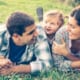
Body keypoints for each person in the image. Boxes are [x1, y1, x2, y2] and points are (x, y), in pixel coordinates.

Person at [53, 5, 80, 72]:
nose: (67, 29)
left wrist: (67, 54)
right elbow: (59, 65)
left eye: (72, 27)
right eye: (68, 24)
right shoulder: (62, 33)